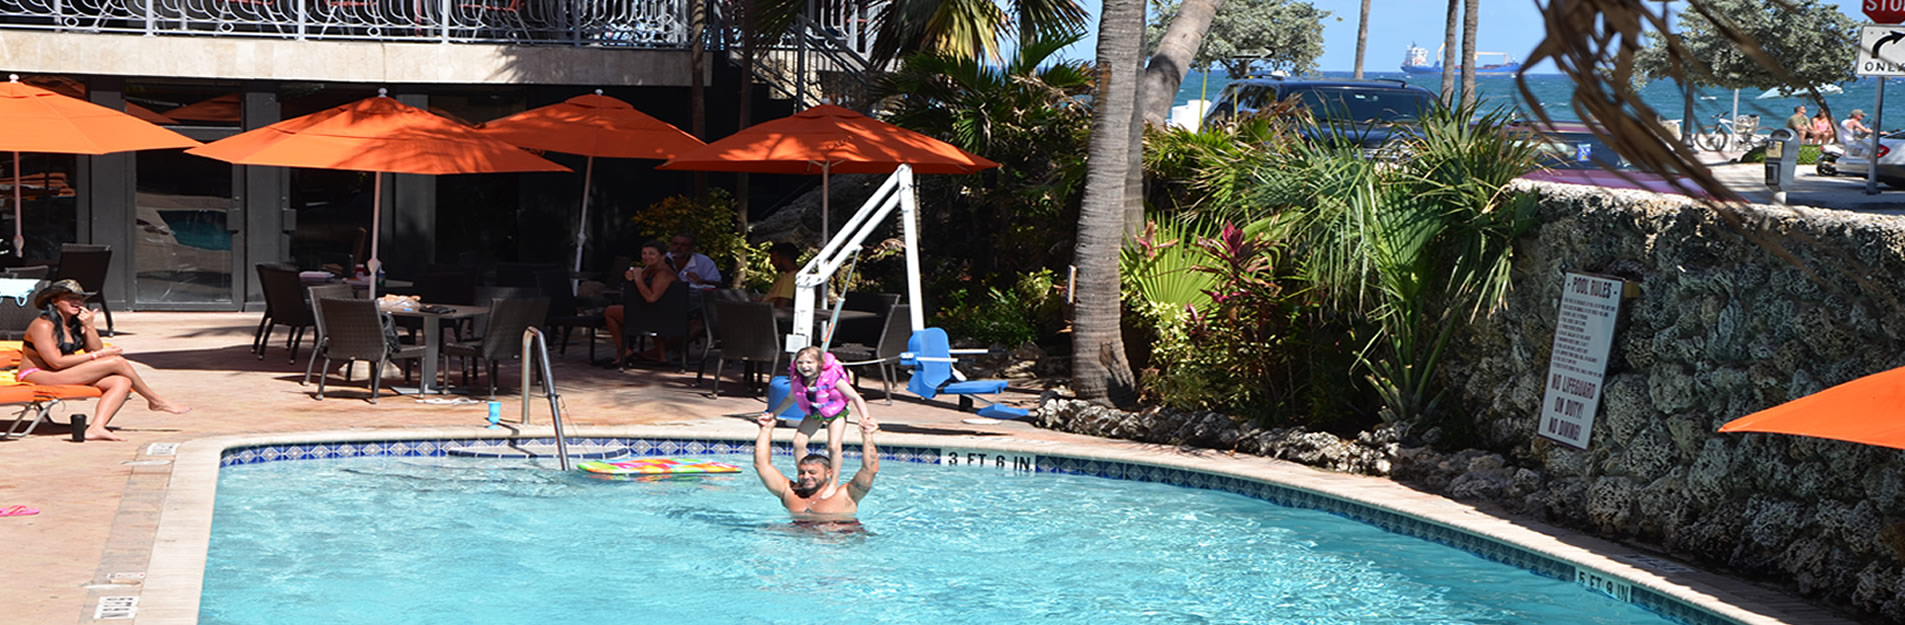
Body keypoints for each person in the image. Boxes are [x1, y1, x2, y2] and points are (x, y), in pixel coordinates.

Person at [17, 279, 188, 441]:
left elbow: (95, 349)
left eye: (79, 299)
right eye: (70, 298)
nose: (77, 302)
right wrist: (97, 357)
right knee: (116, 361)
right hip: (38, 374)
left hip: (62, 373)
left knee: (121, 382)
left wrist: (89, 326)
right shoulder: (43, 325)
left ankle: (97, 427)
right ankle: (155, 401)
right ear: (54, 301)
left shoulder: (73, 324)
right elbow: (57, 362)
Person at [762, 346, 873, 498]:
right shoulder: (798, 380)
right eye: (800, 363)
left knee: (833, 446)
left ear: (820, 364)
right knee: (798, 442)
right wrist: (773, 414)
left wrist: (865, 418)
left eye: (809, 362)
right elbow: (789, 399)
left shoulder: (833, 377)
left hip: (836, 413)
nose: (804, 366)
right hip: (815, 413)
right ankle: (803, 478)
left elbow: (856, 398)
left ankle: (833, 482)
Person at [753, 405, 879, 523]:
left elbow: (869, 470)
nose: (806, 476)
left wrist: (867, 436)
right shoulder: (789, 492)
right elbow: (761, 465)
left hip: (838, 542)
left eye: (812, 472)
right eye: (802, 473)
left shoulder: (846, 495)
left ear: (829, 473)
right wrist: (765, 429)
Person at [598, 241, 678, 367]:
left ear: (662, 256)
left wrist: (638, 278)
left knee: (610, 311)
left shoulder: (663, 273)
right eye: (644, 253)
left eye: (652, 254)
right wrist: (631, 278)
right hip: (657, 313)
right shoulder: (650, 270)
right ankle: (661, 356)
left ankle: (624, 350)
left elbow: (651, 298)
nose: (647, 257)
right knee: (629, 310)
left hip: (661, 317)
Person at [762, 242, 798, 309]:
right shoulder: (793, 275)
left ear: (782, 257)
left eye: (773, 259)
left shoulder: (790, 278)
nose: (771, 263)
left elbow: (782, 306)